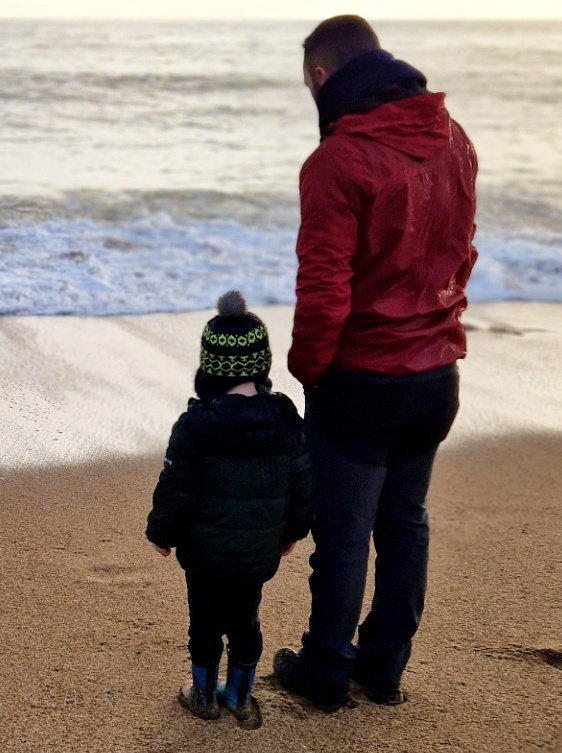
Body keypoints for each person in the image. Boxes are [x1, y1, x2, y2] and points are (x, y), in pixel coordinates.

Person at [273, 16, 478, 712]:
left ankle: (327, 670)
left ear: (322, 76)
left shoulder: (338, 160)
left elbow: (324, 286)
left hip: (364, 377)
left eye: (309, 86)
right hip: (436, 371)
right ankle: (384, 665)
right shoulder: (453, 140)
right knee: (404, 521)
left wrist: (308, 368)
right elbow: (460, 252)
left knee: (344, 532)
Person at [146, 290, 312, 730]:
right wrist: (294, 529)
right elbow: (301, 481)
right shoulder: (283, 417)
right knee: (246, 619)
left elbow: (175, 486)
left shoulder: (196, 424)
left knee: (203, 620)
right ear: (263, 365)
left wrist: (161, 533)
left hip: (203, 554)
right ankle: (239, 695)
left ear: (209, 368)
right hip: (258, 550)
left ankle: (203, 694)